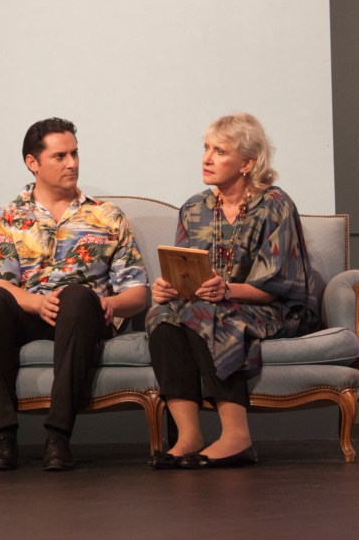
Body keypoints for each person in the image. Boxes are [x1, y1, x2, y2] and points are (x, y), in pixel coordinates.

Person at [0, 117, 149, 471]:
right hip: (28, 315)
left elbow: (138, 293)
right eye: (60, 156)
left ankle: (58, 438)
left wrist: (107, 303)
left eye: (75, 154)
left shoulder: (107, 215)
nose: (72, 163)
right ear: (32, 162)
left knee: (77, 296)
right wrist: (37, 303)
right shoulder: (5, 216)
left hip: (83, 317)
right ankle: (4, 437)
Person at [147, 112, 320, 469]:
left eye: (220, 151)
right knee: (162, 316)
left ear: (247, 163)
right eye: (206, 148)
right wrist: (168, 288)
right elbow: (184, 270)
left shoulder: (274, 205)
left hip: (272, 308)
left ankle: (237, 436)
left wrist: (226, 291)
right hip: (209, 304)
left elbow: (279, 286)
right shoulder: (194, 208)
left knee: (209, 313)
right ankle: (189, 435)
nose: (207, 159)